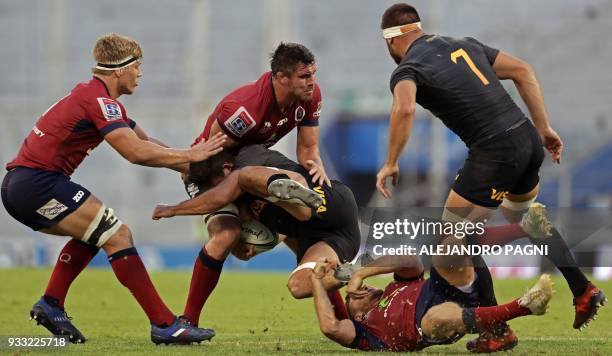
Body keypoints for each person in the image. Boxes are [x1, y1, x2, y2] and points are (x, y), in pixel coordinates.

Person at [374, 3, 604, 351]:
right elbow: (523, 70)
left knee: (453, 236)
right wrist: (543, 128)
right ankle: (582, 288)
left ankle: (497, 331)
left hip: (494, 152)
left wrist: (391, 162)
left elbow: (404, 108)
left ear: (391, 42)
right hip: (526, 140)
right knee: (522, 216)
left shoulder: (409, 67)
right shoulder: (464, 43)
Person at [1, 33, 226, 344]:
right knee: (116, 234)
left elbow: (146, 143)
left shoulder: (96, 99)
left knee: (96, 234)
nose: (141, 73)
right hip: (36, 184)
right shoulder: (99, 102)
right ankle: (164, 324)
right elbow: (134, 153)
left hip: (26, 185)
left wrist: (191, 168)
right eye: (138, 66)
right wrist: (191, 155)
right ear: (121, 69)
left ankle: (51, 303)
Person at [178, 42, 332, 330]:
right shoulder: (245, 109)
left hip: (249, 172)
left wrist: (317, 169)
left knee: (306, 236)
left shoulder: (311, 96)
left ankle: (344, 320)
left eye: (313, 74)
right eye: (303, 76)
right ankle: (187, 321)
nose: (312, 82)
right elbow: (215, 160)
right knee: (227, 236)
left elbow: (309, 149)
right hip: (209, 173)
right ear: (281, 77)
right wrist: (244, 208)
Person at [153, 144, 361, 324]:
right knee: (297, 286)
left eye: (214, 188)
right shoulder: (242, 205)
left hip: (329, 203)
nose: (215, 196)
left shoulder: (248, 157)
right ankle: (356, 272)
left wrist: (174, 209)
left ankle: (290, 190)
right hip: (322, 238)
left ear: (225, 169)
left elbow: (221, 194)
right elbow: (245, 252)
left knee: (245, 177)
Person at [309, 209, 555, 352]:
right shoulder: (365, 332)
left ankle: (523, 228)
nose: (363, 289)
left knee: (450, 241)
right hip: (428, 323)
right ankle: (523, 306)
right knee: (436, 318)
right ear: (357, 315)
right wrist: (318, 282)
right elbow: (331, 327)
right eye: (354, 298)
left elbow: (408, 258)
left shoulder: (395, 285)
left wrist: (360, 272)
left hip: (442, 287)